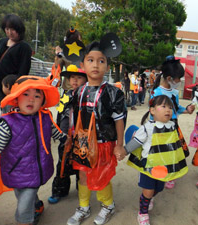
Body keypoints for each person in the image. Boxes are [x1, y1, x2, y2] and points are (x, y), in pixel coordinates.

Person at [66, 33, 125, 225]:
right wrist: (70, 138)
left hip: (105, 143)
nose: (96, 65)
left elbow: (119, 120)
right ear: (83, 64)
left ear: (107, 66)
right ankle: (84, 207)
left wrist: (120, 145)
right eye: (90, 60)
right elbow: (74, 118)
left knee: (102, 176)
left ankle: (108, 205)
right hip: (82, 143)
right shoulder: (78, 91)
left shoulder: (113, 92)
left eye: (101, 61)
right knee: (83, 174)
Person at [0, 75, 66, 225]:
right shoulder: (7, 123)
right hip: (15, 170)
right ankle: (37, 206)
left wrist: (65, 138)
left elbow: (55, 132)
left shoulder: (45, 117)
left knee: (23, 207)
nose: (31, 99)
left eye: (37, 96)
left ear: (43, 100)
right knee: (23, 194)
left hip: (37, 169)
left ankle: (25, 220)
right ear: (16, 98)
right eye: (26, 94)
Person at [117, 95, 188, 225]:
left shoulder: (172, 126)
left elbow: (175, 145)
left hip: (164, 167)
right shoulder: (147, 128)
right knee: (148, 190)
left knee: (159, 188)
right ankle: (143, 213)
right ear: (152, 110)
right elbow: (136, 142)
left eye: (170, 107)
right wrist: (124, 151)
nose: (168, 110)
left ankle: (148, 198)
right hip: (148, 165)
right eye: (164, 106)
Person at [151, 55, 194, 189]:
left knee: (173, 151)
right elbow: (152, 113)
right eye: (179, 78)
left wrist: (188, 110)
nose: (180, 81)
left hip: (173, 127)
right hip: (160, 129)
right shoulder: (156, 92)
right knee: (160, 152)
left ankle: (171, 174)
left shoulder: (174, 93)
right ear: (169, 78)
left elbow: (177, 108)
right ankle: (159, 172)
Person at [48, 64, 87, 204]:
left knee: (81, 163)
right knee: (63, 163)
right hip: (66, 137)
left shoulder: (88, 96)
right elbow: (61, 116)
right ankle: (59, 190)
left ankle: (81, 189)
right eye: (72, 77)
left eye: (78, 77)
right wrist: (61, 134)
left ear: (85, 80)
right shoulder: (65, 95)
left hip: (83, 137)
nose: (75, 80)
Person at [0, 14, 32, 101]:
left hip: (10, 88)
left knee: (8, 112)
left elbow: (23, 71)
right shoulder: (2, 42)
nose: (10, 32)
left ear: (19, 29)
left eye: (13, 29)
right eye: (7, 29)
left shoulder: (24, 47)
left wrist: (16, 88)